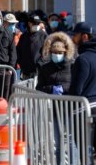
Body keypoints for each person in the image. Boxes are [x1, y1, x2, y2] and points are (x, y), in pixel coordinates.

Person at [36, 32, 78, 165]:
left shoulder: (73, 66)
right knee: (58, 142)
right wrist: (51, 89)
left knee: (71, 141)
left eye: (60, 52)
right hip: (54, 109)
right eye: (54, 52)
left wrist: (63, 89)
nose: (57, 54)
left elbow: (76, 84)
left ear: (65, 52)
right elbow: (39, 87)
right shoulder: (45, 68)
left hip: (70, 108)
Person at [69, 22, 96, 164]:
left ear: (85, 37)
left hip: (85, 110)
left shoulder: (83, 59)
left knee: (86, 153)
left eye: (75, 36)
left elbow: (76, 90)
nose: (73, 39)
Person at [17, 14, 47, 80]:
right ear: (29, 23)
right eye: (34, 23)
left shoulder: (44, 36)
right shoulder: (24, 36)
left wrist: (39, 64)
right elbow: (18, 50)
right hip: (25, 72)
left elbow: (46, 53)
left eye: (38, 23)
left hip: (38, 72)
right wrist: (21, 63)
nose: (37, 25)